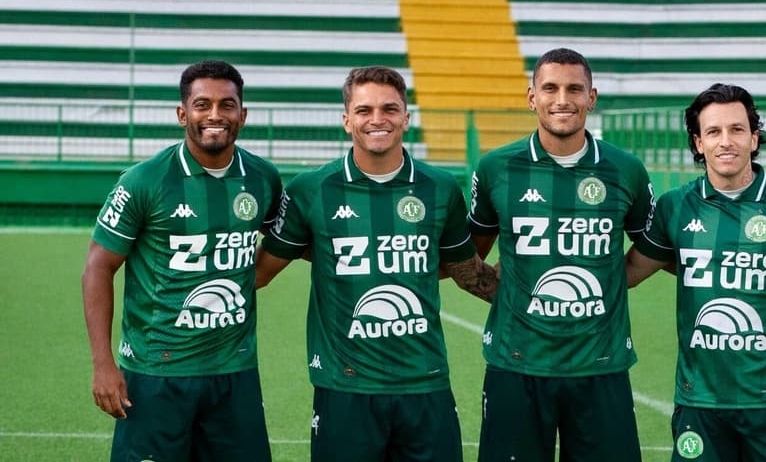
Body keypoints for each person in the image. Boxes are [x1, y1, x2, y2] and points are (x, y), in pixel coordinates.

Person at [256, 66, 499, 462]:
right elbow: (259, 274)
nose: (377, 120)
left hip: (425, 383)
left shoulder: (439, 188)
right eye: (364, 110)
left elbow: (465, 271)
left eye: (389, 109)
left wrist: (527, 284)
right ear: (346, 119)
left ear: (406, 117)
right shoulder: (310, 190)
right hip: (345, 387)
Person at [628, 83, 766, 462]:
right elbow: (629, 272)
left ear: (754, 137)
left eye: (737, 129)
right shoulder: (674, 207)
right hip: (701, 402)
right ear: (698, 142)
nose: (725, 141)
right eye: (713, 131)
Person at [82, 60, 283, 462]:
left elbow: (287, 240)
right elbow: (98, 268)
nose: (215, 115)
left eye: (227, 105)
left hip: (235, 372)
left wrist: (249, 277)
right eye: (202, 104)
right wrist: (104, 364)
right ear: (182, 113)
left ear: (242, 115)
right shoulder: (145, 181)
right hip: (157, 373)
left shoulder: (262, 178)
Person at [468, 47, 655, 462]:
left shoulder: (626, 169)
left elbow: (651, 248)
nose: (562, 99)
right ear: (531, 96)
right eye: (549, 87)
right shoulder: (497, 167)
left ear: (592, 97)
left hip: (601, 365)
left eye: (574, 88)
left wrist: (607, 280)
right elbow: (470, 255)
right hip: (516, 366)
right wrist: (511, 294)